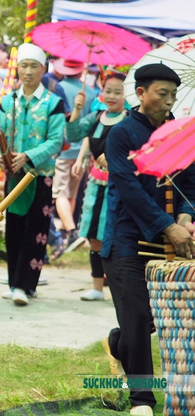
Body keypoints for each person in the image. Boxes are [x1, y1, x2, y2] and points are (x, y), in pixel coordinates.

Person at [101, 63, 195, 416]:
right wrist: (166, 224)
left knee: (159, 316)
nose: (168, 101)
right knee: (139, 316)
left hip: (170, 239)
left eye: (173, 95)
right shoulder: (122, 134)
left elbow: (190, 181)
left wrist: (185, 217)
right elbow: (128, 189)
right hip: (126, 238)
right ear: (140, 93)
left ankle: (118, 341)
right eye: (161, 93)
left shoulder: (180, 133)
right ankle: (142, 398)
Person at [0, 43, 64, 306]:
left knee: (36, 231)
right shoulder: (8, 100)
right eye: (24, 66)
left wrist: (28, 156)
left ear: (43, 69)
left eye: (34, 66)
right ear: (17, 68)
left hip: (39, 176)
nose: (28, 71)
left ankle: (25, 285)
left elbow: (55, 141)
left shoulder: (53, 103)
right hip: (13, 176)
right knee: (14, 230)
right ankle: (14, 283)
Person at [67, 73, 128, 301]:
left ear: (127, 94)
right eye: (108, 90)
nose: (111, 96)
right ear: (101, 93)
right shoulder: (94, 117)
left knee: (113, 234)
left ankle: (117, 286)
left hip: (120, 186)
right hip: (95, 182)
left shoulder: (130, 120)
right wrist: (76, 109)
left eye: (117, 91)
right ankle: (97, 287)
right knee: (94, 234)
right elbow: (73, 134)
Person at [54, 59, 97, 252]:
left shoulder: (58, 87)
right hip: (84, 148)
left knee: (60, 192)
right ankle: (66, 235)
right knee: (71, 192)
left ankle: (72, 231)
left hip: (64, 146)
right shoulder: (90, 91)